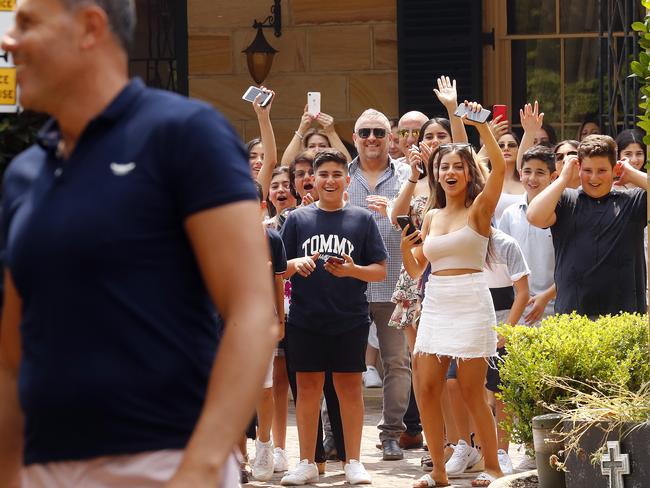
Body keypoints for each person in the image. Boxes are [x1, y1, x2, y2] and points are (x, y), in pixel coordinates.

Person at [0, 0, 277, 487]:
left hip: (163, 461)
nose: (8, 41)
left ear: (90, 27)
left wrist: (202, 466)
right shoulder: (24, 174)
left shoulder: (185, 134)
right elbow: (10, 355)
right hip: (43, 469)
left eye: (26, 24)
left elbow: (252, 312)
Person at [400, 102, 506, 487]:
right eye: (443, 166)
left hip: (472, 300)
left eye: (457, 166)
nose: (450, 172)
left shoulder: (479, 209)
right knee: (426, 387)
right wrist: (404, 249)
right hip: (436, 301)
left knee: (471, 391)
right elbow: (417, 272)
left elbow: (499, 169)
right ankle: (439, 470)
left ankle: (492, 468)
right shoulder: (430, 215)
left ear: (467, 172)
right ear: (435, 172)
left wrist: (483, 128)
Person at [280, 149, 388, 485]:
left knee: (349, 389)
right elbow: (278, 269)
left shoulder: (362, 219)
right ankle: (306, 461)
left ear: (347, 180)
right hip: (305, 319)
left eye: (336, 174)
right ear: (313, 178)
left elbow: (380, 271)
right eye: (323, 174)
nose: (330, 180)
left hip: (350, 319)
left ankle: (353, 460)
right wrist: (297, 265)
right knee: (308, 389)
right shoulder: (297, 219)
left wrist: (353, 270)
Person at [347, 108, 412, 461]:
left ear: (391, 137)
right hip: (350, 286)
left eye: (379, 132)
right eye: (365, 132)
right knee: (342, 363)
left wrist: (394, 209)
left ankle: (391, 435)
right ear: (355, 138)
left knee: (397, 363)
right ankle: (335, 434)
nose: (372, 138)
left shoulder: (407, 177)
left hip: (396, 284)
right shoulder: (341, 177)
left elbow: (420, 217)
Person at [527, 135, 648, 317]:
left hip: (624, 320)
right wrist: (563, 179)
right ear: (578, 168)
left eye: (601, 170)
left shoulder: (633, 201)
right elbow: (534, 216)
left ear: (615, 169)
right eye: (587, 170)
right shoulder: (566, 200)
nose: (594, 177)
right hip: (574, 320)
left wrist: (631, 173)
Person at [252, 182, 288, 481]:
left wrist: (280, 320)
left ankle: (265, 443)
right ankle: (234, 455)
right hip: (221, 322)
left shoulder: (272, 238)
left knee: (264, 388)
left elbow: (278, 280)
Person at [499, 145, 558, 325]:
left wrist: (546, 297)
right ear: (520, 173)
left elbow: (573, 266)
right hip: (517, 309)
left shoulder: (563, 213)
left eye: (540, 172)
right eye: (527, 171)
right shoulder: (510, 214)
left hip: (555, 308)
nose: (532, 178)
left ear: (553, 177)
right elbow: (502, 263)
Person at [281, 107, 351, 165]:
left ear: (330, 149)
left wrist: (331, 132)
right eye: (312, 146)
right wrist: (301, 129)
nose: (317, 150)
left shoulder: (335, 167)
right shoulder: (302, 168)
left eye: (322, 146)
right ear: (305, 150)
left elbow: (348, 165)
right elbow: (286, 166)